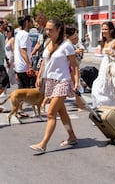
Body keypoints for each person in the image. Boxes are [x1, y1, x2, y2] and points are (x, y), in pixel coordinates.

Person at [29, 19, 79, 153]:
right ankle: (72, 136)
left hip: (62, 81)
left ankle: (43, 143)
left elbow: (74, 65)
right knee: (62, 112)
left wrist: (76, 82)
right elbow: (45, 62)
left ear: (58, 30)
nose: (47, 32)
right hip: (50, 81)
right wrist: (39, 76)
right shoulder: (48, 43)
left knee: (51, 113)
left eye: (50, 29)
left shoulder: (66, 46)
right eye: (46, 29)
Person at [91, 21, 115, 109]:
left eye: (105, 29)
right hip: (104, 68)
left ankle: (114, 110)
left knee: (111, 90)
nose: (103, 31)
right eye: (102, 29)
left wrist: (112, 53)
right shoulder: (105, 42)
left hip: (111, 69)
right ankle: (103, 109)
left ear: (111, 30)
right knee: (98, 88)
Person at [64, 25, 85, 111]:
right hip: (70, 68)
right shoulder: (68, 44)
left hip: (69, 68)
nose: (77, 35)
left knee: (73, 86)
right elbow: (67, 56)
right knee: (75, 86)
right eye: (75, 33)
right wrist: (75, 52)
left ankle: (80, 105)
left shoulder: (69, 43)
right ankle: (80, 106)